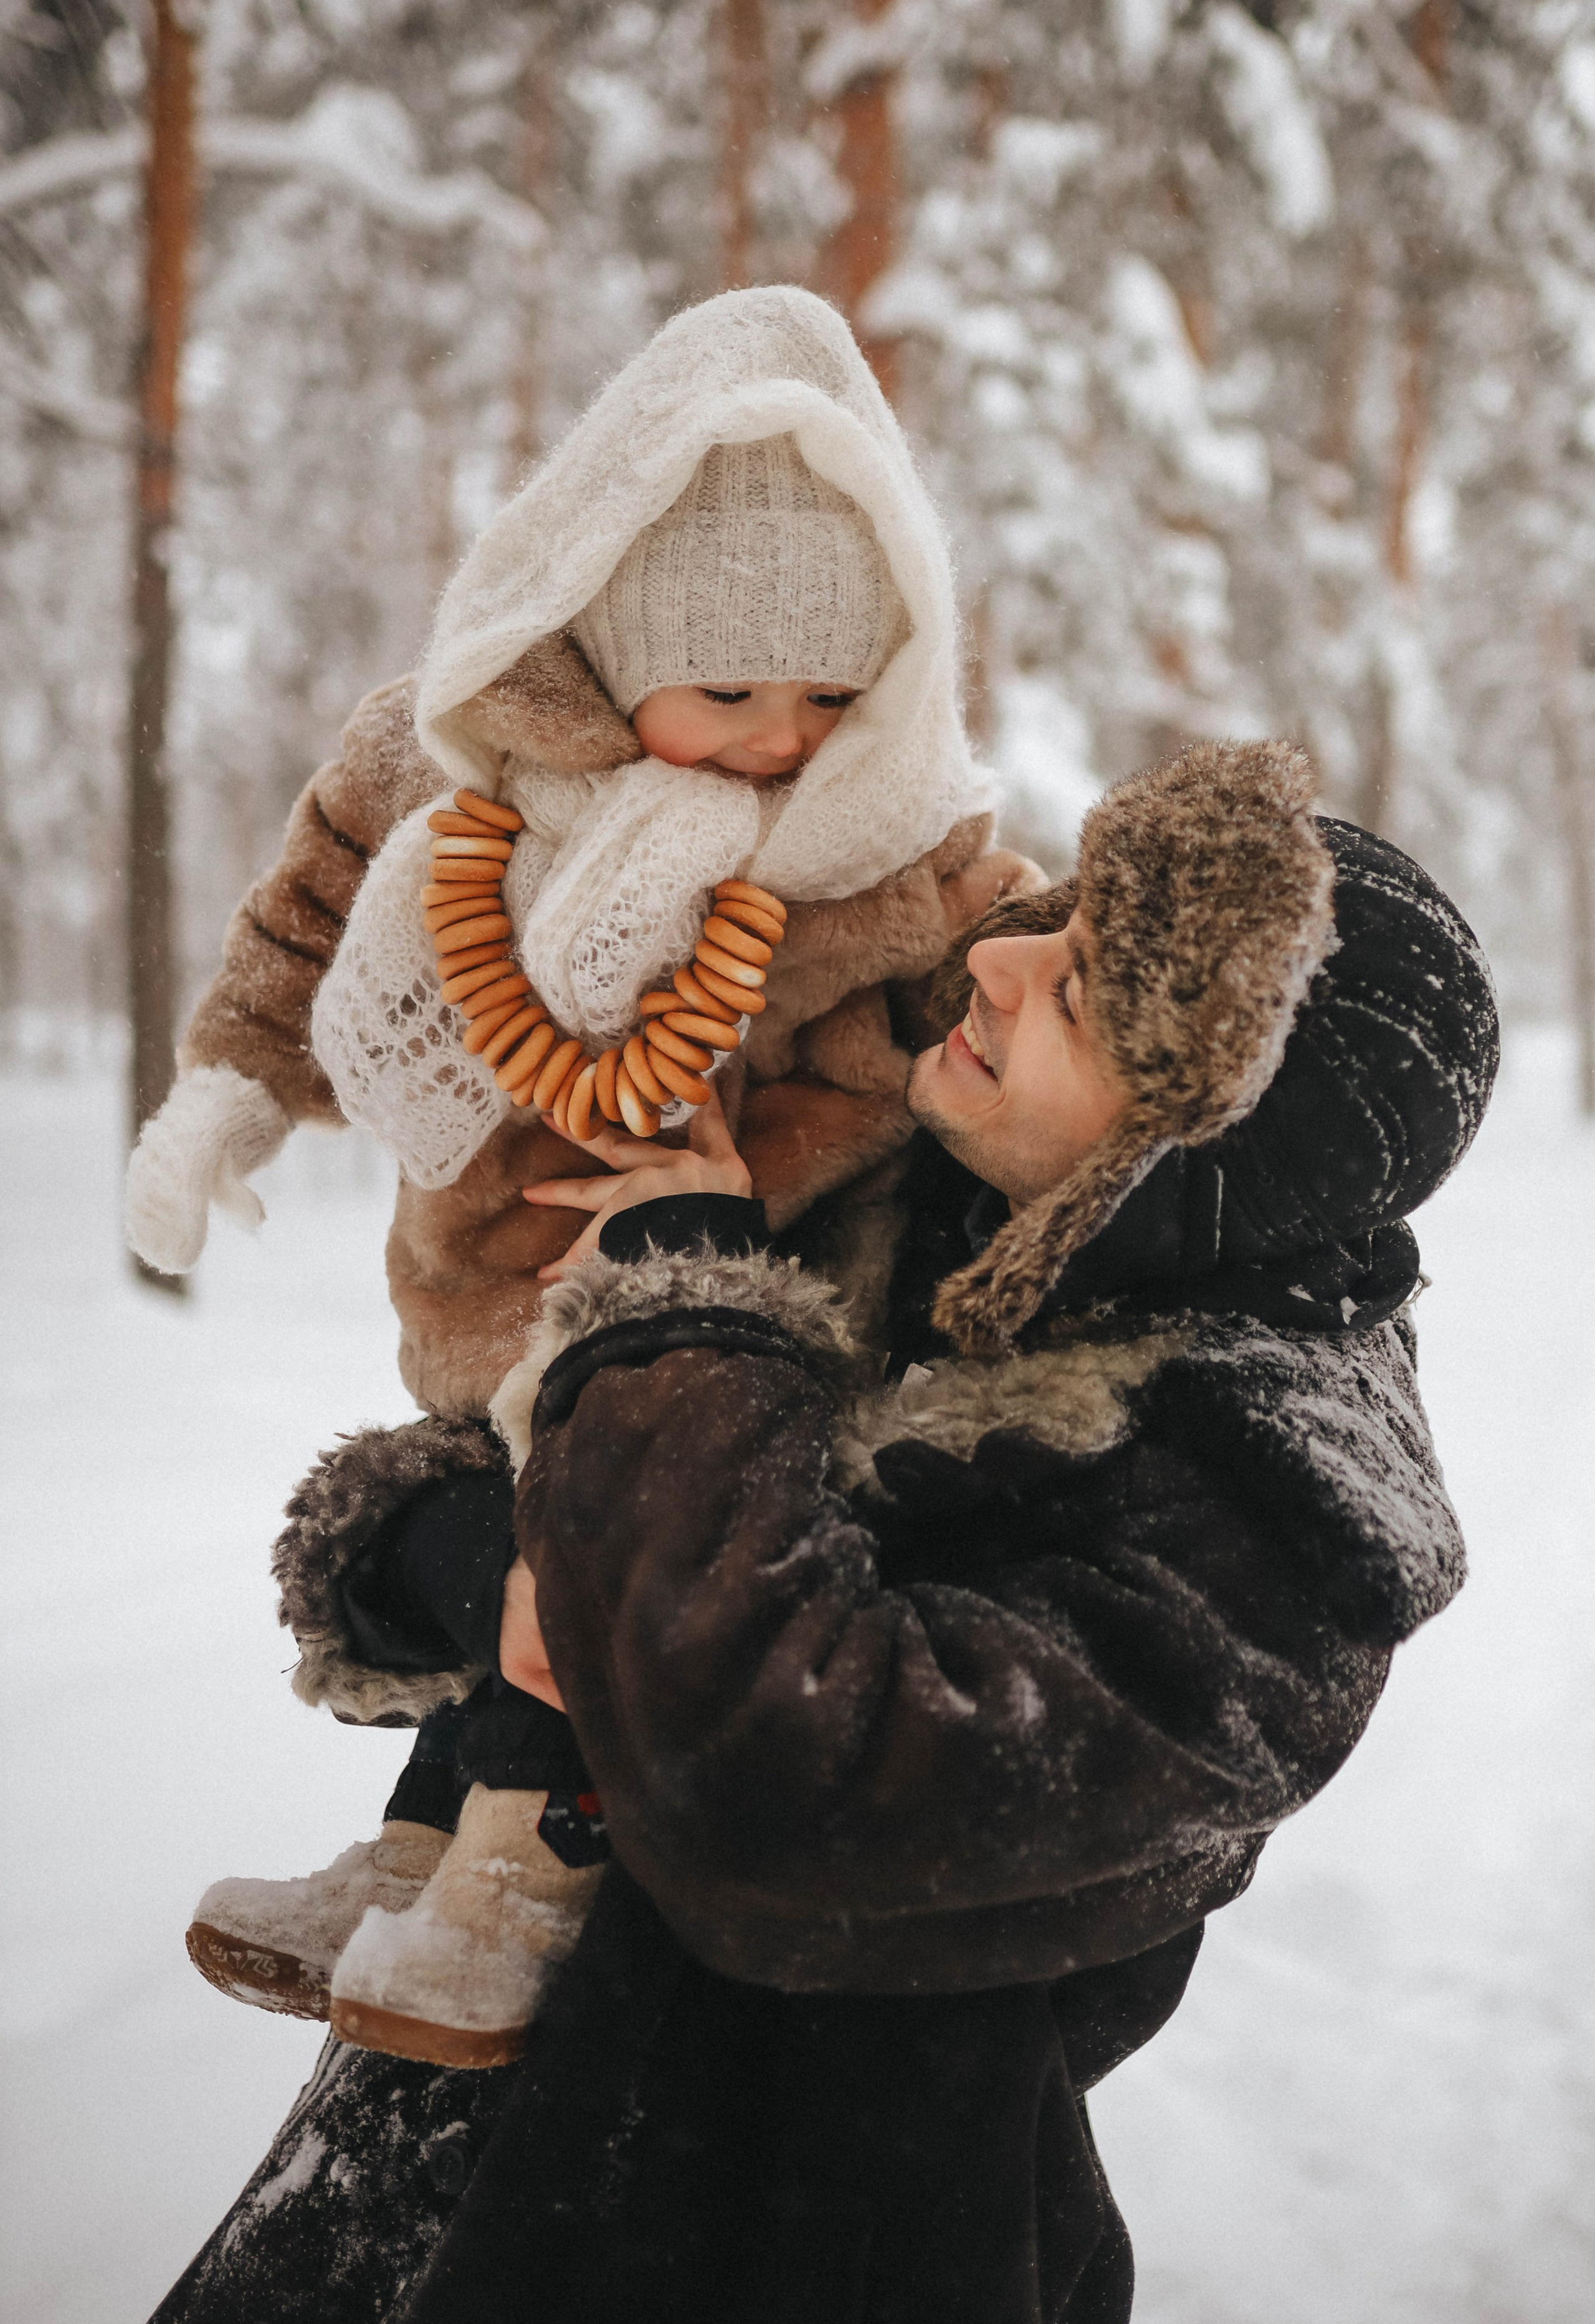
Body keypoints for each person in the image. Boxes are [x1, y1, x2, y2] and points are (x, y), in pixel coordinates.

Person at [152, 736, 1498, 2324]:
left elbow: (768, 1773)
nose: (994, 960)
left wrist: (685, 1315)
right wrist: (459, 1564)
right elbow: (510, 1507)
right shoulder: (943, 1208)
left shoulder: (1274, 1541)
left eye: (1074, 996)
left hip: (796, 2243)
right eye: (1052, 921)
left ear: (1187, 1155)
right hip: (427, 2169)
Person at [124, 286, 1039, 2057]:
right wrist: (229, 1098)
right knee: (493, 1503)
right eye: (729, 689)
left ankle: (525, 1870)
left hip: (705, 1296)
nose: (784, 737)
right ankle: (417, 1844)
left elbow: (940, 994)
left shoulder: (875, 847)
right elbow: (311, 919)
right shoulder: (456, 766)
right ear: (610, 653)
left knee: (584, 1529)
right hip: (482, 1271)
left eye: (831, 693)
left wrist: (748, 1168)